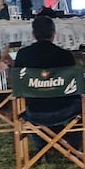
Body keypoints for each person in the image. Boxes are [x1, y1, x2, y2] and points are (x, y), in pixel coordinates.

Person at [13, 16, 80, 144]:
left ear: (33, 34)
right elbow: (74, 86)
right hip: (65, 109)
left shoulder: (23, 55)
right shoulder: (65, 55)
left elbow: (19, 85)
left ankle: (42, 141)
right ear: (53, 34)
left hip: (33, 111)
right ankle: (71, 142)